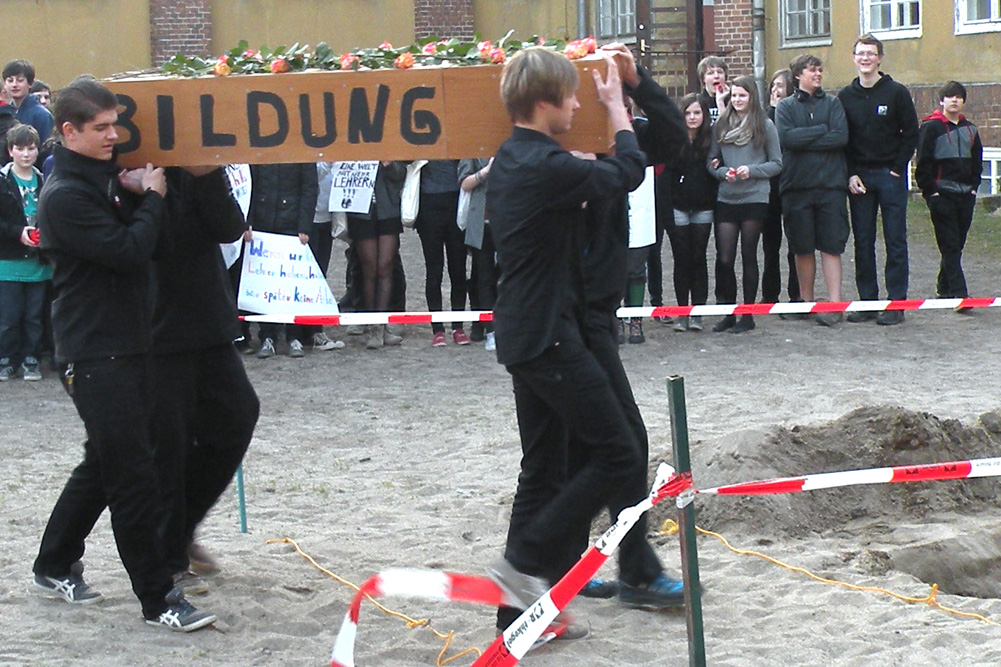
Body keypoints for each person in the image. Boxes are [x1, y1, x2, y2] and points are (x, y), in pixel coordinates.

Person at [485, 46, 679, 636]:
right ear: (545, 103)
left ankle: (518, 613)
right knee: (618, 450)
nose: (578, 103)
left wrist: (631, 94)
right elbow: (626, 173)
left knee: (545, 466)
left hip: (531, 329)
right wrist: (617, 109)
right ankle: (522, 568)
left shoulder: (518, 156)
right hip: (548, 335)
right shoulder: (545, 164)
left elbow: (645, 156)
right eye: (571, 95)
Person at [32, 75, 215, 631]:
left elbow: (151, 245)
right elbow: (132, 252)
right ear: (68, 132)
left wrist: (141, 198)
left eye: (116, 124)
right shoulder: (65, 196)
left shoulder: (105, 182)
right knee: (134, 472)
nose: (116, 136)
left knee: (105, 461)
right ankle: (159, 600)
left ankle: (54, 560)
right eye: (103, 128)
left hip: (131, 344)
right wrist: (151, 199)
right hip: (95, 352)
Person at [127, 163, 261, 596]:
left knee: (238, 415)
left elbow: (229, 227)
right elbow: (140, 245)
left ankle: (182, 528)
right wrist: (149, 194)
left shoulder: (198, 167)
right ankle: (168, 558)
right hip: (152, 326)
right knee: (168, 445)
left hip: (207, 319)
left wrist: (206, 175)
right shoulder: (120, 170)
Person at [838, 34, 919, 326]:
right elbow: (842, 140)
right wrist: (850, 172)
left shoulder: (896, 93)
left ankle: (896, 303)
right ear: (854, 58)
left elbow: (911, 133)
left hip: (890, 176)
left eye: (871, 54)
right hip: (859, 179)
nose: (865, 59)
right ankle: (869, 302)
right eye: (860, 54)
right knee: (863, 241)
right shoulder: (845, 96)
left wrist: (898, 168)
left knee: (895, 240)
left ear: (880, 58)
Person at [774, 54, 850, 327]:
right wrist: (821, 130)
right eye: (811, 70)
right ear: (798, 75)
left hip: (830, 186)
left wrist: (807, 137)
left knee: (831, 246)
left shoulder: (833, 103)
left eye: (820, 69)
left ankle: (834, 303)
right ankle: (806, 303)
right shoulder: (785, 107)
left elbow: (840, 137)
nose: (818, 74)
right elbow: (788, 138)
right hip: (797, 186)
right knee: (801, 246)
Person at [707, 76, 782, 333]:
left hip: (754, 196)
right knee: (724, 258)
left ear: (752, 97)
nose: (738, 100)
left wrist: (751, 170)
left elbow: (776, 163)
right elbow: (712, 162)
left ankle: (748, 314)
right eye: (735, 96)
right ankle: (727, 310)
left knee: (748, 254)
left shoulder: (765, 125)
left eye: (743, 96)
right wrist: (723, 173)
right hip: (727, 196)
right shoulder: (721, 125)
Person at [915, 81, 982, 307]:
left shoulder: (971, 129)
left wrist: (974, 187)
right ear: (941, 101)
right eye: (950, 96)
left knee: (957, 243)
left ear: (963, 101)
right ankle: (959, 294)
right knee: (950, 244)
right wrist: (930, 192)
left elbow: (977, 161)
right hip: (941, 194)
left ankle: (944, 288)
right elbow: (922, 162)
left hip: (965, 195)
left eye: (958, 97)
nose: (954, 100)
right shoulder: (930, 127)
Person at [245, 162, 318, 358]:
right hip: (262, 222)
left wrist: (304, 225)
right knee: (265, 284)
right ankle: (267, 335)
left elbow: (309, 187)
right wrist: (248, 222)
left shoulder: (300, 147)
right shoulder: (260, 149)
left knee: (292, 284)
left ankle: (294, 336)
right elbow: (250, 184)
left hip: (292, 224)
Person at [664, 93, 717, 332]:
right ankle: (682, 312)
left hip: (703, 206)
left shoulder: (711, 139)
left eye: (697, 113)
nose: (692, 117)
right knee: (680, 259)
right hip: (678, 207)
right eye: (687, 113)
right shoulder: (673, 140)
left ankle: (698, 311)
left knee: (699, 257)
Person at [0, 124, 49, 381]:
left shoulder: (44, 180)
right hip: (7, 262)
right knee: (8, 317)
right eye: (20, 148)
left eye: (31, 148)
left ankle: (32, 358)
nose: (26, 154)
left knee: (34, 316)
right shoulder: (2, 181)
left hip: (38, 264)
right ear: (10, 151)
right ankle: (6, 358)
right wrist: (17, 232)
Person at [345, 161, 407, 349]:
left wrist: (388, 165)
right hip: (360, 212)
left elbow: (401, 175)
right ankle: (372, 326)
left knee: (386, 266)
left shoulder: (388, 143)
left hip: (387, 209)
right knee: (369, 268)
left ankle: (382, 324)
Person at [415, 159, 470, 346]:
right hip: (428, 203)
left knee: (458, 269)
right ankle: (437, 329)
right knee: (434, 270)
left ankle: (458, 326)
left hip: (456, 200)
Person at [762, 69, 799, 306]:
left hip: (792, 183)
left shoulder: (794, 113)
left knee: (794, 244)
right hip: (769, 187)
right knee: (770, 245)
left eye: (781, 86)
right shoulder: (764, 115)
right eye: (773, 86)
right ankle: (769, 294)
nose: (776, 90)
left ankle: (796, 293)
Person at [458, 157, 497, 350]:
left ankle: (508, 326)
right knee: (484, 277)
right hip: (481, 223)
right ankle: (490, 329)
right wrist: (486, 171)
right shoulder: (473, 151)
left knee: (508, 276)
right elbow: (464, 183)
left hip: (509, 223)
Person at [2, 60, 53, 155]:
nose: (14, 85)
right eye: (10, 80)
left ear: (30, 83)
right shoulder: (5, 113)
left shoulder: (42, 115)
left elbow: (47, 149)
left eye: (20, 80)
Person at [696, 55, 729, 124]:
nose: (716, 76)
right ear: (703, 78)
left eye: (720, 72)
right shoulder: (698, 102)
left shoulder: (733, 101)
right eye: (710, 73)